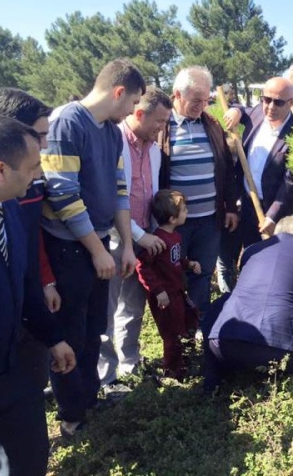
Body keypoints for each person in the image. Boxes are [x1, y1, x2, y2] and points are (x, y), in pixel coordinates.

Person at [41, 58, 145, 437]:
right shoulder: (67, 122)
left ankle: (88, 396)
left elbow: (120, 191)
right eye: (133, 102)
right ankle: (71, 417)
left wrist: (125, 246)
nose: (134, 111)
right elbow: (63, 194)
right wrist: (97, 251)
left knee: (93, 328)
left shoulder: (112, 131)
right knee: (70, 330)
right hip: (69, 248)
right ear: (118, 92)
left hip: (99, 241)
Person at [0, 115, 75, 476]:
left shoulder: (10, 207)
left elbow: (24, 282)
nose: (38, 176)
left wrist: (52, 337)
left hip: (12, 372)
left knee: (28, 458)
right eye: (32, 167)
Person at [204, 216, 293, 391]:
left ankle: (212, 379)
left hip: (225, 346)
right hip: (282, 353)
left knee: (225, 301)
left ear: (275, 233)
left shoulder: (251, 250)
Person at [98, 87, 173, 390]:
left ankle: (129, 363)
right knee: (105, 310)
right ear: (139, 113)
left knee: (133, 307)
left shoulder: (153, 149)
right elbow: (114, 199)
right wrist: (137, 238)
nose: (162, 129)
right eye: (158, 122)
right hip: (117, 240)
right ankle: (106, 376)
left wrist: (150, 234)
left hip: (142, 241)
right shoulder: (114, 142)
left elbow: (150, 195)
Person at [158, 66, 238, 319]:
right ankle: (177, 326)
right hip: (174, 224)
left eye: (206, 100)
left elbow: (226, 168)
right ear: (177, 95)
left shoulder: (212, 124)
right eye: (196, 100)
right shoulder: (163, 127)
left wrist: (230, 207)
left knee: (202, 273)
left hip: (209, 220)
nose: (202, 105)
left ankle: (199, 323)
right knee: (174, 274)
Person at [223, 76, 293, 247]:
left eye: (278, 102)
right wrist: (236, 111)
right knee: (252, 254)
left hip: (278, 213)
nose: (271, 107)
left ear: (291, 102)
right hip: (249, 203)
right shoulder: (258, 113)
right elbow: (242, 110)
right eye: (267, 100)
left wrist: (272, 216)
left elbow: (289, 183)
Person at [136, 190, 201, 381]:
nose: (187, 212)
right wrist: (157, 290)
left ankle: (186, 360)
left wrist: (188, 264)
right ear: (173, 218)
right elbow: (142, 267)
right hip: (165, 296)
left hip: (178, 291)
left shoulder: (175, 237)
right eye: (184, 210)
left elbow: (174, 261)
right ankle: (172, 372)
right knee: (172, 332)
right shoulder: (158, 240)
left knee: (189, 320)